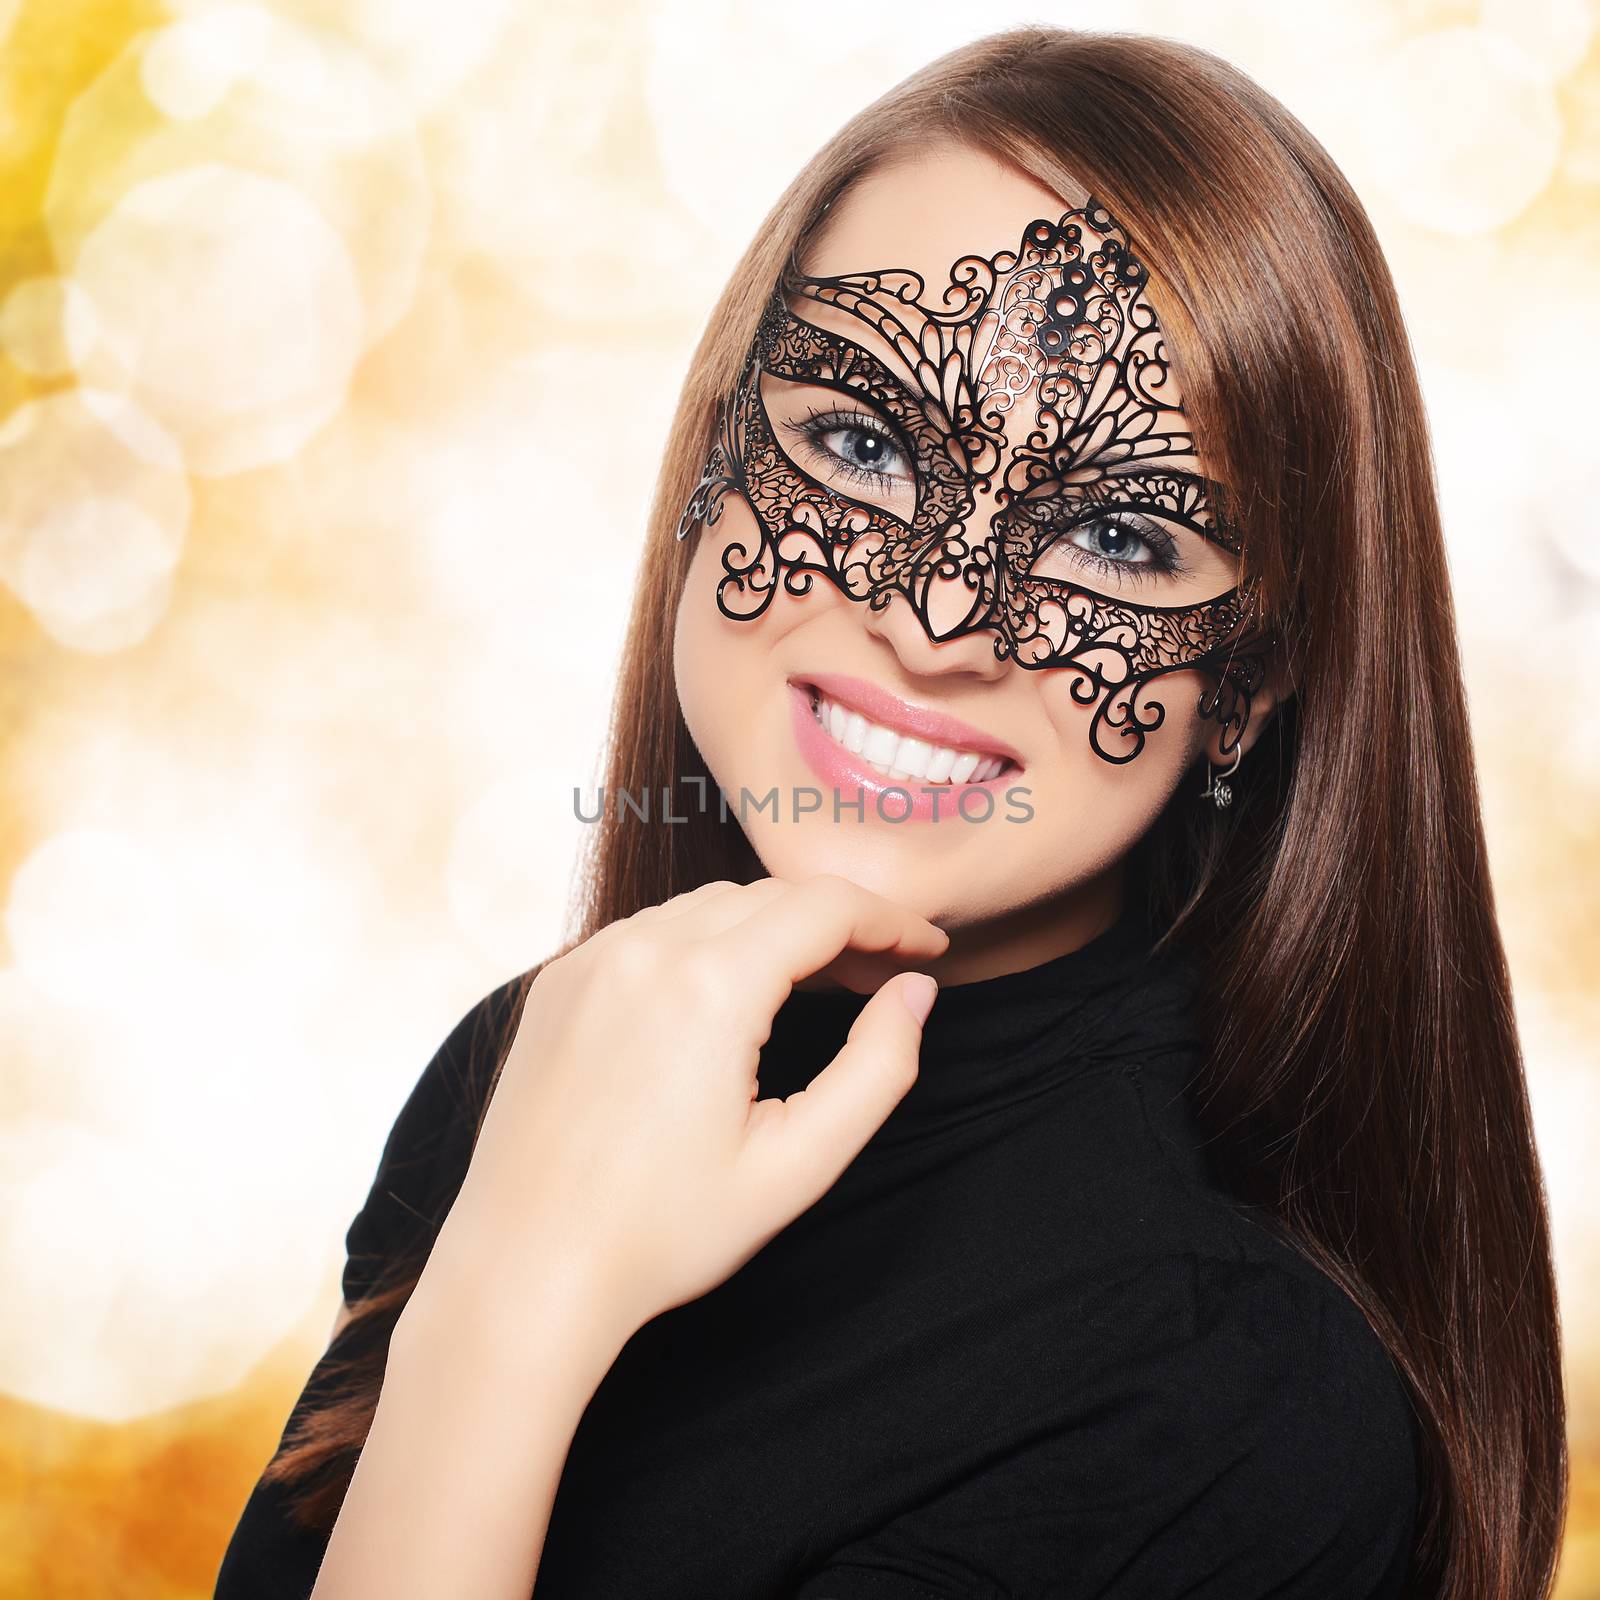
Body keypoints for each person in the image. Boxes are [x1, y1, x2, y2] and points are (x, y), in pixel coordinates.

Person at [214, 25, 1567, 1600]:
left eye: (1120, 541)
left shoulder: (1232, 1402)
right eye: (861, 441)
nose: (937, 616)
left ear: (1253, 687)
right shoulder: (553, 1063)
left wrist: (514, 1309)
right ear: (717, 436)